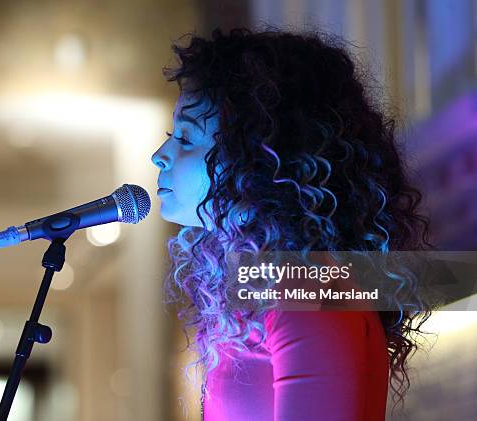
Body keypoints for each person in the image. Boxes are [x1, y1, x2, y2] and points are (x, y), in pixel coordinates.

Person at [151, 28, 433, 420]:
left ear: (256, 158)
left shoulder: (304, 286)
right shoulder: (272, 283)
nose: (159, 156)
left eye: (185, 139)